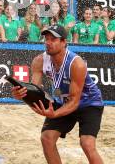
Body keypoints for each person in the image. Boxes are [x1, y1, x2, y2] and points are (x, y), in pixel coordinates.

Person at [11, 25, 104, 164]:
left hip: (88, 103)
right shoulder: (39, 61)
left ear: (64, 42)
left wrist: (54, 114)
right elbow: (34, 92)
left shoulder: (76, 64)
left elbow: (74, 102)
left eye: (53, 39)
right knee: (46, 139)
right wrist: (22, 95)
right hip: (63, 101)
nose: (48, 42)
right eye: (46, 39)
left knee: (87, 144)